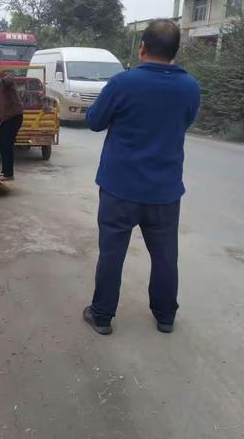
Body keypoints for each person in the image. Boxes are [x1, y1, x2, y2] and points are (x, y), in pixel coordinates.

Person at [82, 20, 201, 335]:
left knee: (112, 253)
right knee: (165, 256)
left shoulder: (123, 83)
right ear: (175, 52)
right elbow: (184, 121)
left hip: (119, 188)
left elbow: (94, 121)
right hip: (164, 191)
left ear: (143, 47)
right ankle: (165, 317)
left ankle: (102, 315)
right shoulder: (190, 87)